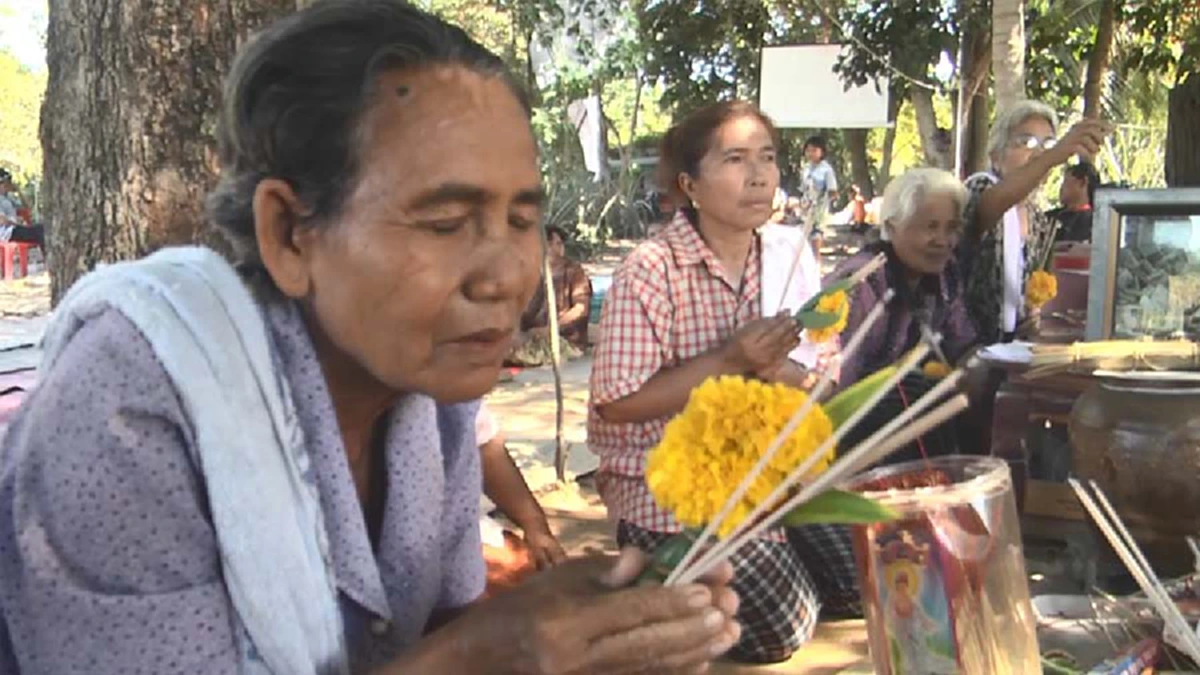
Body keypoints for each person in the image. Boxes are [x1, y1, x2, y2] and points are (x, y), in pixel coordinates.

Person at [0, 3, 741, 674]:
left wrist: (587, 624)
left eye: (522, 221)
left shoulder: (431, 400)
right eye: (446, 223)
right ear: (289, 233)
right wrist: (485, 659)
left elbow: (437, 631)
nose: (505, 276)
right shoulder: (124, 411)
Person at [590, 100, 828, 665]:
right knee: (785, 627)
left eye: (768, 158)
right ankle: (651, 558)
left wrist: (783, 373)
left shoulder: (784, 253)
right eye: (736, 159)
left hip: (756, 474)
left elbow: (819, 377)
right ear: (689, 185)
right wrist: (729, 359)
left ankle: (695, 576)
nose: (760, 175)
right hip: (662, 484)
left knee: (858, 571)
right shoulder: (651, 269)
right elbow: (617, 406)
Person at [785, 169, 977, 624]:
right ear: (891, 226)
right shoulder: (862, 284)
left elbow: (962, 340)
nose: (942, 240)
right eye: (929, 227)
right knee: (871, 590)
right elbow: (834, 391)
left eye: (950, 229)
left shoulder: (943, 275)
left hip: (904, 442)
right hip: (844, 448)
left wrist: (970, 366)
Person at [959, 101, 1112, 343]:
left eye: (1048, 143)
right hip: (965, 354)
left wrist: (1036, 315)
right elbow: (989, 206)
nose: (1040, 152)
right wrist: (1055, 154)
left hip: (1012, 353)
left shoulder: (1038, 219)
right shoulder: (979, 187)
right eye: (1026, 142)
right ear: (996, 156)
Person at [476, 401, 566, 570]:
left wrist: (535, 526)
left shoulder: (460, 403)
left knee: (517, 568)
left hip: (461, 530)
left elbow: (487, 451)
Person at [799, 135, 839, 254]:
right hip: (806, 209)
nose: (811, 153)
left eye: (814, 150)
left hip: (819, 210)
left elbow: (833, 191)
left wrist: (826, 200)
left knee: (816, 237)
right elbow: (803, 189)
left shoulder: (826, 170)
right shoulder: (805, 169)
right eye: (808, 150)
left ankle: (817, 265)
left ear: (822, 152)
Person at [1046, 161, 1100, 243]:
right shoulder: (1050, 218)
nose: (1061, 188)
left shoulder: (1097, 224)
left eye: (1065, 182)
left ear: (1082, 182)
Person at [0, 169, 43, 248]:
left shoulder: (8, 197)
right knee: (40, 231)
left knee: (42, 228)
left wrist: (19, 191)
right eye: (6, 182)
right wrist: (15, 223)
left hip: (14, 229)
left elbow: (27, 207)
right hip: (7, 233)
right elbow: (1, 220)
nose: (8, 184)